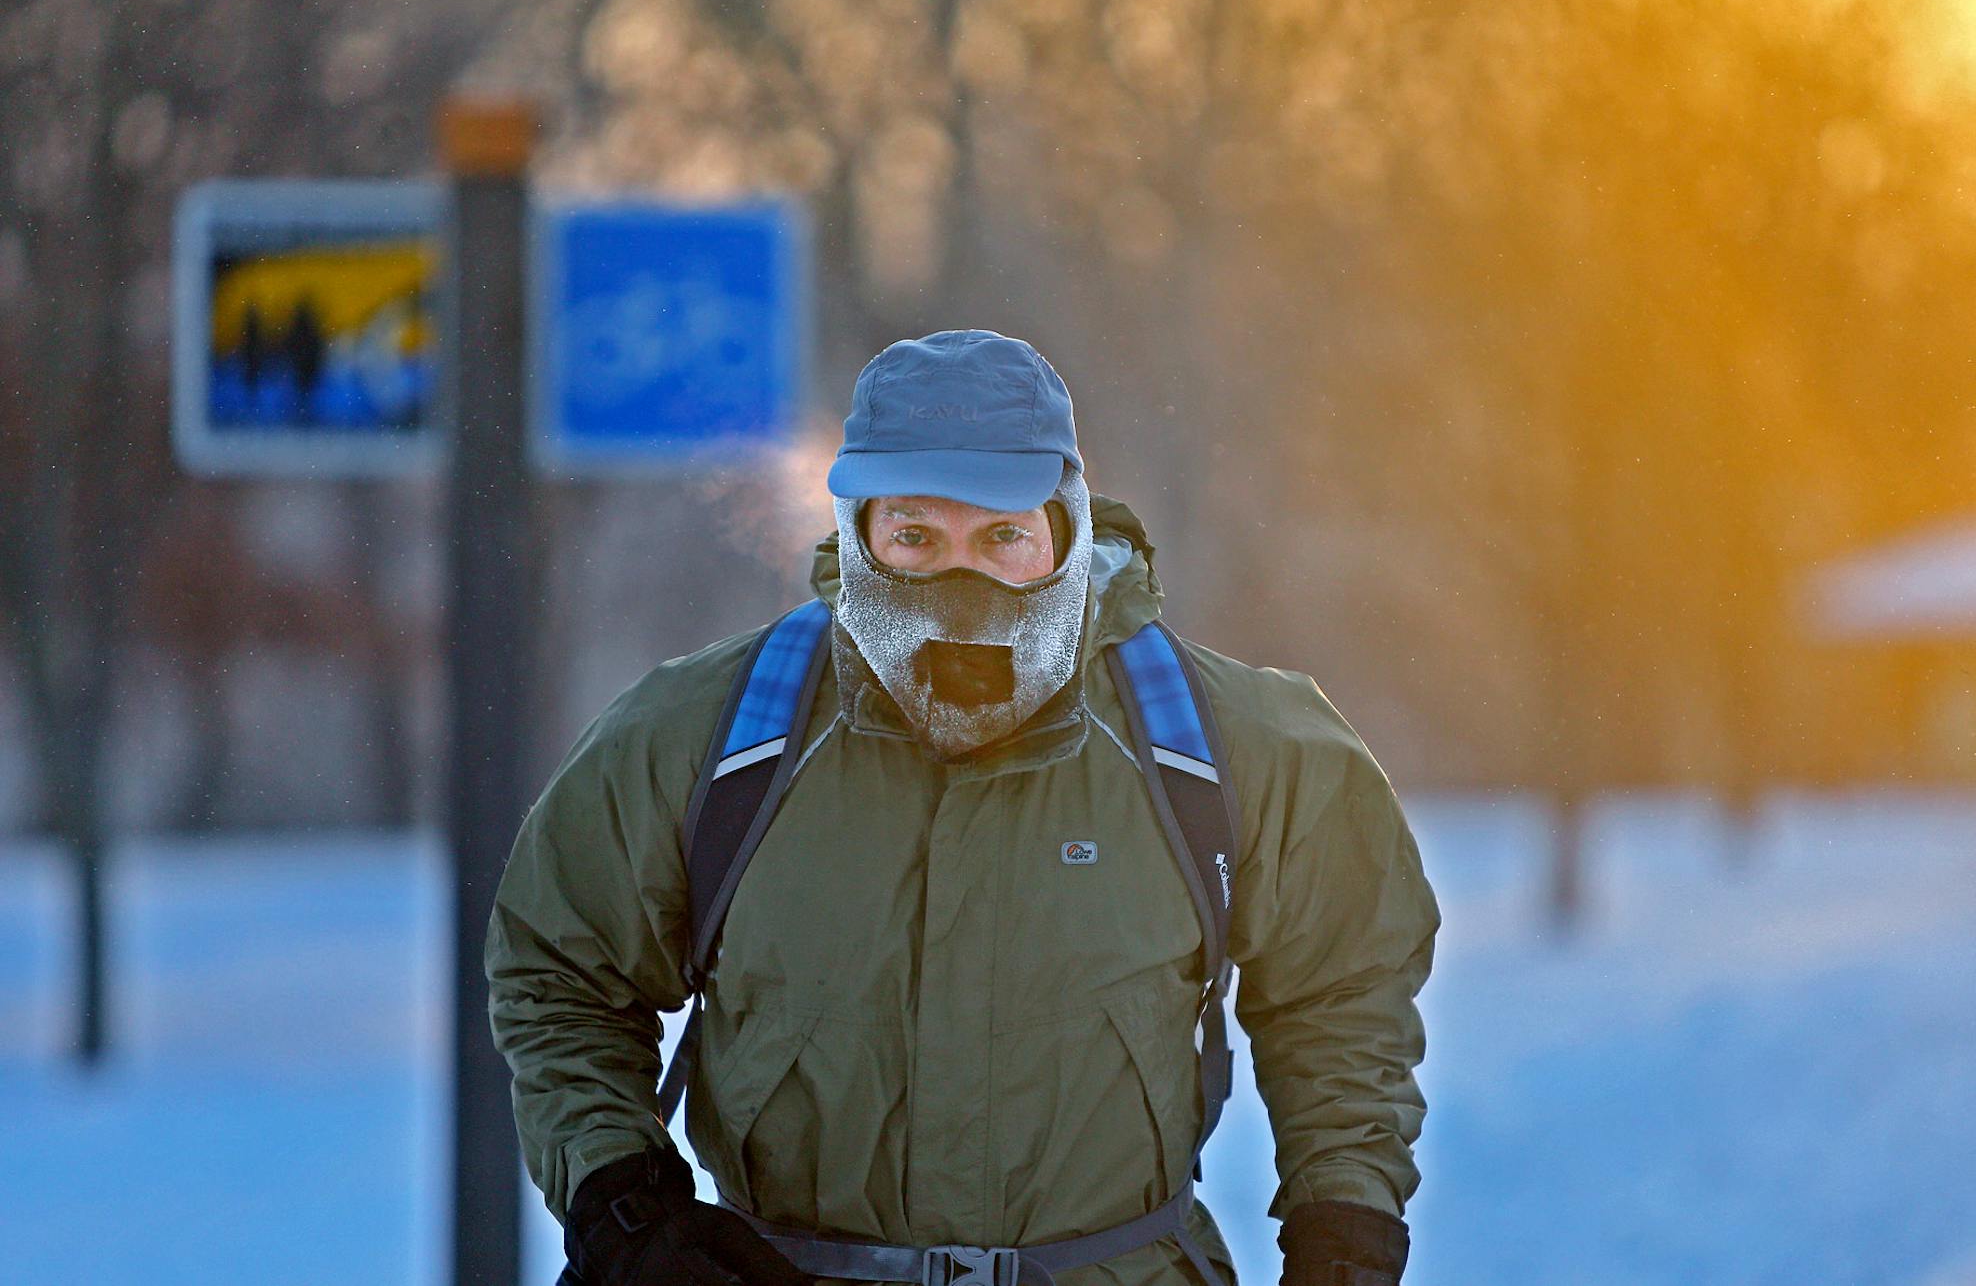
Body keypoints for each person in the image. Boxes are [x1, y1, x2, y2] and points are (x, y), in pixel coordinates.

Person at [488, 329, 1439, 1286]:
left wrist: (1343, 1222)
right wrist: (625, 1201)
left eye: (1002, 537)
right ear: (857, 533)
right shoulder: (706, 739)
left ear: (1064, 529)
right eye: (914, 537)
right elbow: (560, 976)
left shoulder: (1229, 745)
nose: (961, 582)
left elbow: (1340, 991)